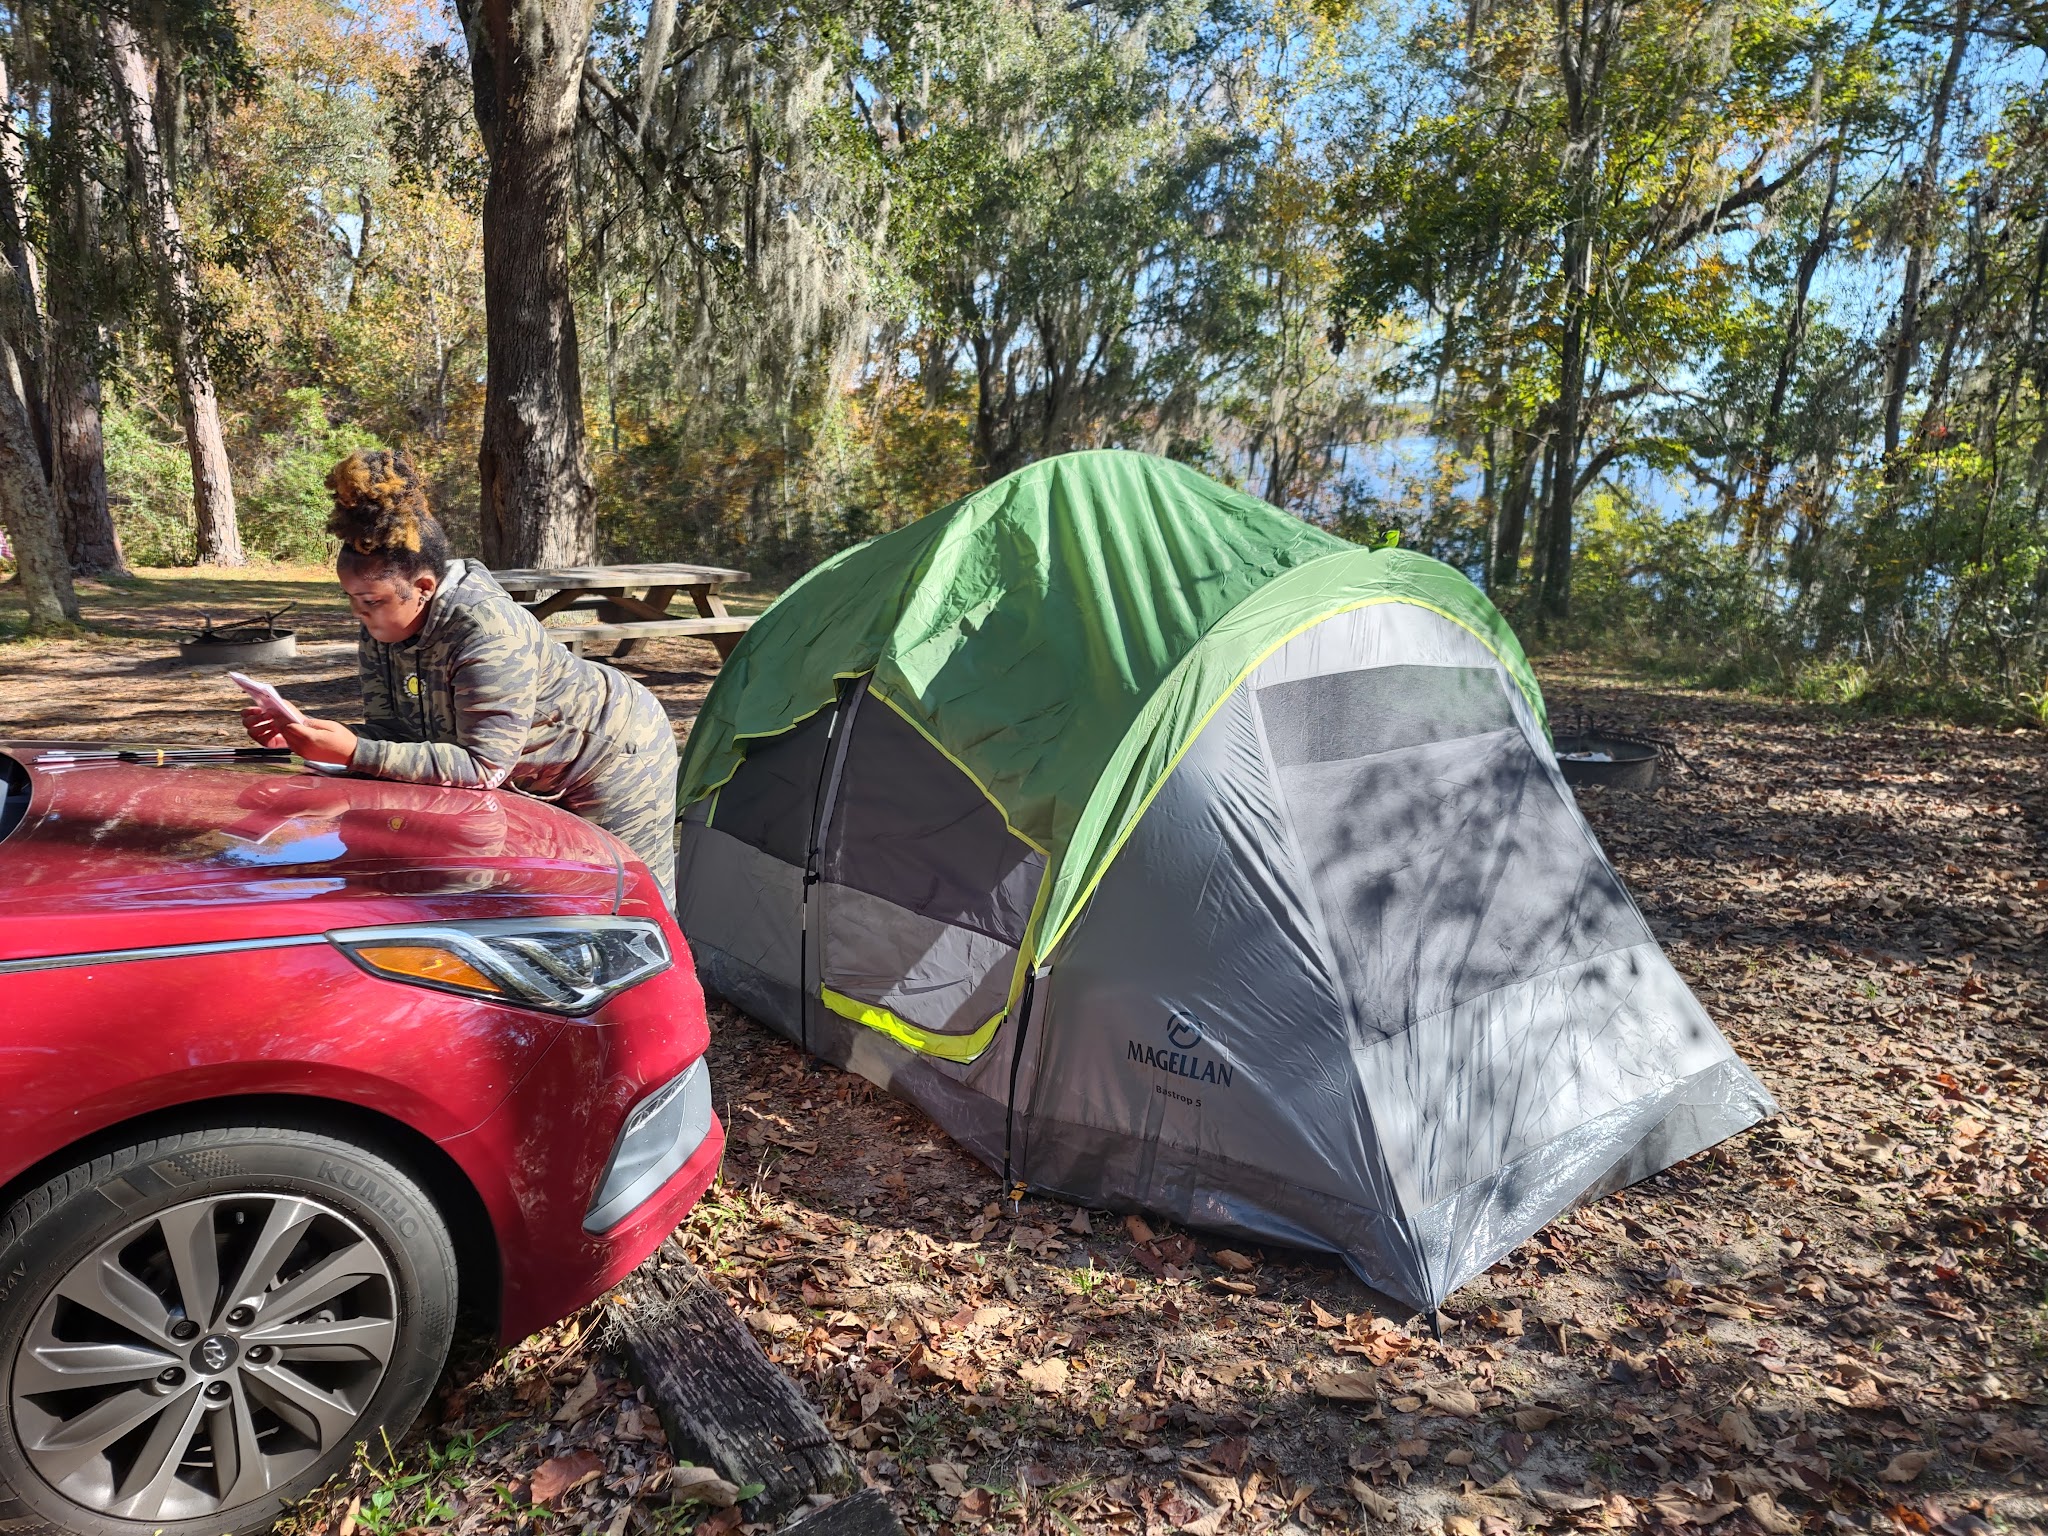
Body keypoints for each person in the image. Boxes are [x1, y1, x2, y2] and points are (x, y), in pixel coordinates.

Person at [241, 449, 680, 902]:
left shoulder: (487, 629)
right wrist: (311, 734)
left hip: (614, 754)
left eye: (371, 601)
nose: (360, 613)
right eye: (351, 599)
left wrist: (354, 751)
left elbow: (482, 765)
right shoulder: (383, 624)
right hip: (527, 768)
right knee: (540, 900)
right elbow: (397, 733)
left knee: (623, 896)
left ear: (423, 589)